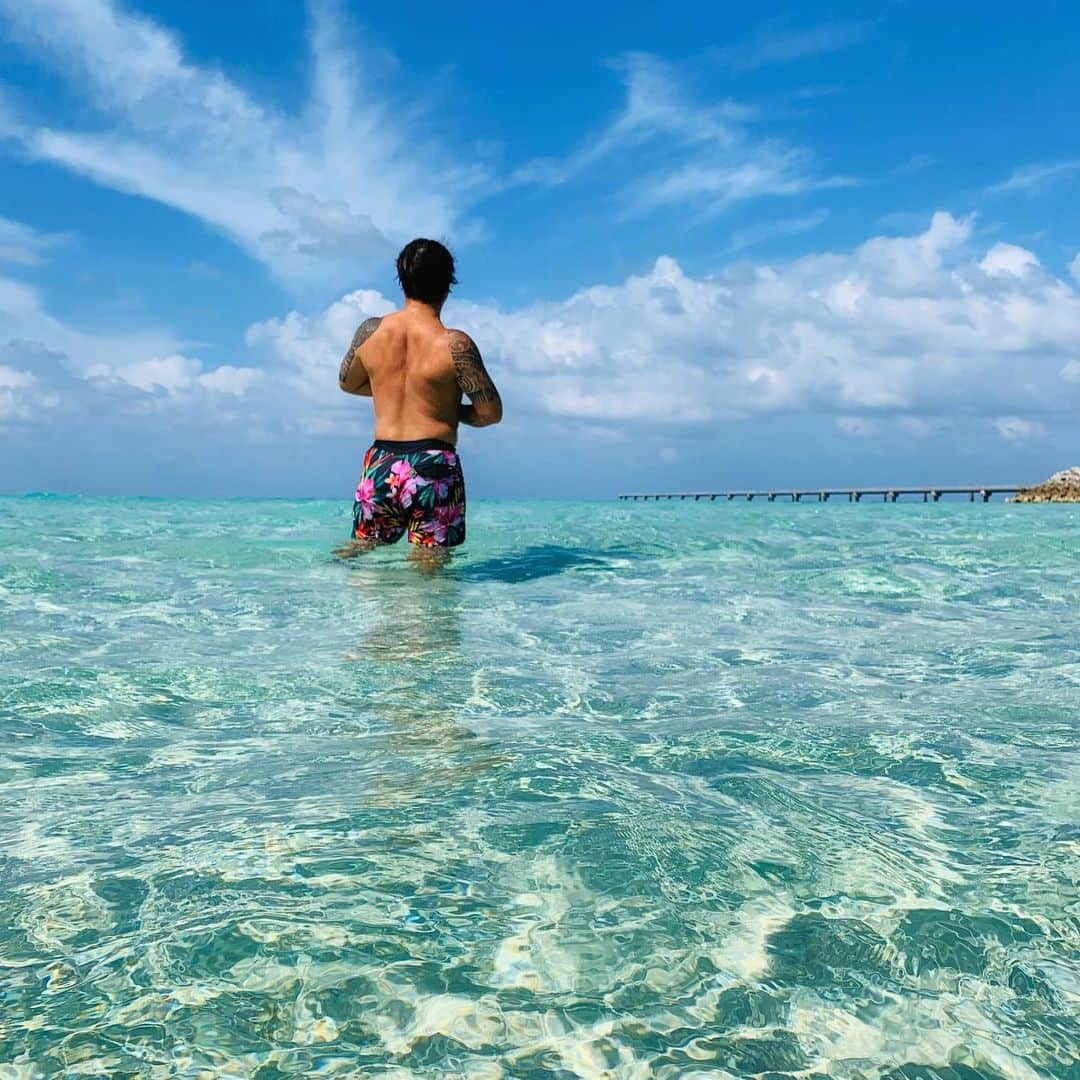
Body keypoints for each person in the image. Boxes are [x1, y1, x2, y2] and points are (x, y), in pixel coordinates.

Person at [337, 238, 502, 554]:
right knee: (429, 568)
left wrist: (390, 391)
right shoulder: (455, 344)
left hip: (381, 462)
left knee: (360, 550)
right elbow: (490, 412)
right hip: (433, 464)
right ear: (448, 283)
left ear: (402, 279)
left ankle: (326, 589)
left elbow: (347, 382)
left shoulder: (370, 332)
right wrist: (446, 408)